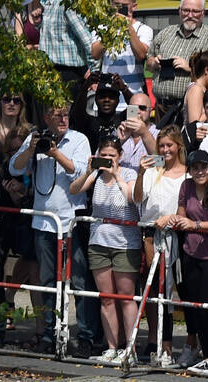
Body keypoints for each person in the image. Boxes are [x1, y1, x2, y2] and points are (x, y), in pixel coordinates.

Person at [8, 102, 97, 357]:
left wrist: (56, 154)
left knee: (79, 281)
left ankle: (86, 336)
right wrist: (33, 148)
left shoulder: (79, 139)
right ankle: (49, 333)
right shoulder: (36, 138)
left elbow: (80, 170)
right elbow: (15, 167)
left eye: (66, 115)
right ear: (46, 118)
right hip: (44, 221)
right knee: (47, 281)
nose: (63, 119)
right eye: (57, 116)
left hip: (71, 220)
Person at [159, 150, 208, 374]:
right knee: (196, 306)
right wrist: (175, 220)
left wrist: (196, 225)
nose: (199, 171)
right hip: (191, 253)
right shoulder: (187, 187)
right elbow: (182, 215)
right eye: (195, 168)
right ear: (190, 170)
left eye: (203, 167)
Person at [70, 137, 141, 364]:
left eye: (112, 155)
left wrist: (116, 173)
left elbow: (131, 197)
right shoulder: (96, 174)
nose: (108, 159)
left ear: (120, 155)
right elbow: (74, 190)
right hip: (98, 242)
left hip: (125, 243)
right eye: (105, 155)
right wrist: (90, 170)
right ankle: (112, 346)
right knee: (107, 299)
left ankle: (130, 346)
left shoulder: (129, 174)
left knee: (126, 297)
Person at [134, 124, 188, 368]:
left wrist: (173, 219)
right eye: (162, 145)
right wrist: (139, 173)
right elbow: (137, 198)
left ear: (178, 147)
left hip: (178, 235)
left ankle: (188, 344)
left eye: (169, 145)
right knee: (157, 292)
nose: (165, 150)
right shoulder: (152, 172)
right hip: (151, 236)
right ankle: (161, 344)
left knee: (182, 291)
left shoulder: (187, 174)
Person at [145, 0, 208, 127]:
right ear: (179, 11)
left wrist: (190, 68)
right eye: (186, 10)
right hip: (161, 108)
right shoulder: (166, 33)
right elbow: (148, 60)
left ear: (203, 13)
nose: (190, 15)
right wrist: (154, 63)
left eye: (195, 11)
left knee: (185, 145)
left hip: (190, 110)